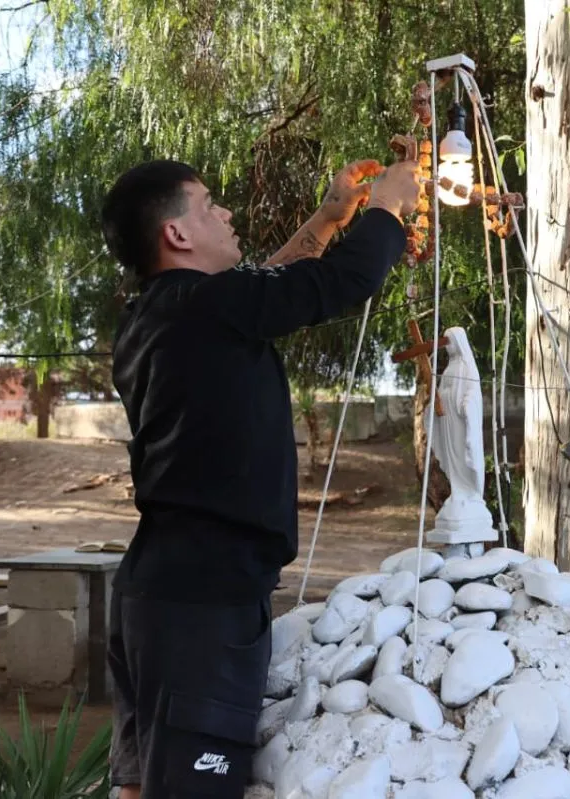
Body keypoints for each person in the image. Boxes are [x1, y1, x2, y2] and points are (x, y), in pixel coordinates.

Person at [100, 156, 421, 798]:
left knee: (141, 787)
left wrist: (329, 218)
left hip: (156, 594)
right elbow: (343, 282)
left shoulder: (163, 315)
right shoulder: (207, 309)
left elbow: (264, 291)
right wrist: (389, 205)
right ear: (177, 235)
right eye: (208, 204)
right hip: (205, 603)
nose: (224, 213)